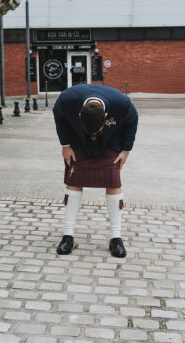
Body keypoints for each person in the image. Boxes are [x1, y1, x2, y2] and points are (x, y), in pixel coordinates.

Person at [52, 84, 138, 258]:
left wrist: (126, 150)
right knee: (74, 182)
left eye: (97, 130)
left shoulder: (122, 103)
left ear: (106, 116)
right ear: (79, 116)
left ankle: (116, 238)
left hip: (111, 141)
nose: (94, 134)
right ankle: (68, 235)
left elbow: (132, 121)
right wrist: (65, 145)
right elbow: (58, 116)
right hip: (78, 141)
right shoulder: (66, 100)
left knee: (113, 183)